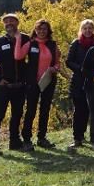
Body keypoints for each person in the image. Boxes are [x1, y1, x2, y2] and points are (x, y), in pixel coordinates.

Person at [0, 13, 29, 156]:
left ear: (17, 23)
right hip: (4, 86)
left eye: (12, 21)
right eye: (6, 21)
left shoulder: (26, 39)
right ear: (4, 24)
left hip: (20, 86)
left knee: (17, 114)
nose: (9, 23)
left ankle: (15, 143)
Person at [14, 18, 61, 150]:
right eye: (39, 29)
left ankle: (42, 138)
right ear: (35, 30)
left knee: (45, 110)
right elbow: (18, 56)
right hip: (32, 82)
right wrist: (18, 38)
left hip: (48, 81)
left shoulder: (53, 44)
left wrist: (55, 68)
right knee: (31, 110)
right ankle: (27, 139)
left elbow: (58, 62)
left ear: (48, 31)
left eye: (44, 29)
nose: (41, 31)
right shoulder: (30, 44)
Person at [65, 18, 94, 149]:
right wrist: (81, 69)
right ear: (81, 30)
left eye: (90, 28)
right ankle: (77, 137)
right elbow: (68, 61)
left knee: (90, 110)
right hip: (78, 81)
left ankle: (92, 135)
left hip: (93, 81)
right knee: (79, 110)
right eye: (85, 28)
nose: (88, 30)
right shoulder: (76, 43)